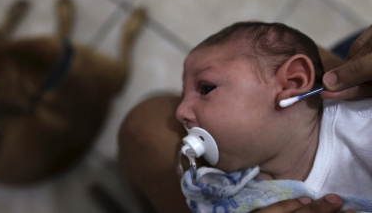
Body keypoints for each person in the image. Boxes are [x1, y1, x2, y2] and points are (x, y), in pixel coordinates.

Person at [118, 24, 372, 213]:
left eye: (206, 88)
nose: (180, 113)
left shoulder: (360, 124)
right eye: (184, 95)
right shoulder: (236, 190)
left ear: (293, 81)